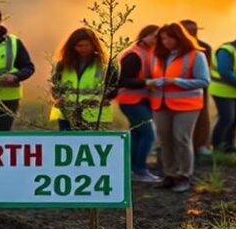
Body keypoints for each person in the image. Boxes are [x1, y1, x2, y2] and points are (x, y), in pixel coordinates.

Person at [149, 22, 210, 193]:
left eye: (169, 37)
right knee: (165, 140)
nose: (165, 41)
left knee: (181, 138)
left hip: (187, 105)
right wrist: (152, 83)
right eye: (162, 38)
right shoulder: (157, 56)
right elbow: (150, 76)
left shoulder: (196, 55)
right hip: (160, 104)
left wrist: (176, 82)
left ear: (179, 37)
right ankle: (170, 175)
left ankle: (184, 176)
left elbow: (204, 81)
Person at [116, 24, 161, 182]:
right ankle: (140, 170)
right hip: (131, 100)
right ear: (144, 35)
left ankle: (131, 170)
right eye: (154, 36)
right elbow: (124, 80)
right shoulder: (133, 55)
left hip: (140, 100)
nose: (157, 40)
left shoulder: (148, 53)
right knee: (148, 134)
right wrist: (147, 82)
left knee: (137, 135)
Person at [50, 27, 117, 131]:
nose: (84, 49)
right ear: (72, 47)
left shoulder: (105, 64)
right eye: (79, 46)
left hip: (95, 114)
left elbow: (114, 85)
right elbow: (55, 84)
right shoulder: (62, 64)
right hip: (67, 113)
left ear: (94, 45)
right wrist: (58, 97)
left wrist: (107, 98)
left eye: (87, 45)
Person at [181, 19, 213, 156]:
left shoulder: (204, 47)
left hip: (198, 87)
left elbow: (206, 70)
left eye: (194, 31)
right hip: (176, 89)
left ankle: (200, 144)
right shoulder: (171, 47)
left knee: (202, 117)